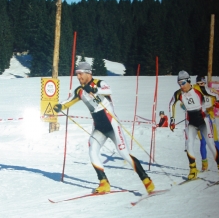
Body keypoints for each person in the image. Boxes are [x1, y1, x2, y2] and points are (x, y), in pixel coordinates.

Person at [53, 62, 155, 194]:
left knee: (124, 153)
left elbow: (108, 90)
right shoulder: (79, 91)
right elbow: (68, 101)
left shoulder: (99, 83)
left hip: (112, 124)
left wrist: (96, 90)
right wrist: (59, 106)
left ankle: (146, 180)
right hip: (99, 127)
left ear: (88, 73)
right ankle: (104, 183)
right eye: (77, 74)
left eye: (80, 74)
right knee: (92, 149)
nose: (78, 77)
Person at [169, 70, 219, 181]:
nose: (181, 86)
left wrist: (218, 101)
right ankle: (193, 170)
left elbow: (215, 94)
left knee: (211, 144)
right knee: (189, 144)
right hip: (191, 122)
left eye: (183, 83)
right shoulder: (178, 93)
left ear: (189, 81)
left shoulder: (198, 89)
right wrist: (172, 120)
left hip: (203, 119)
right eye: (179, 83)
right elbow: (171, 104)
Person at [193, 75, 219, 166]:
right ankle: (204, 164)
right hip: (199, 119)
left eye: (202, 83)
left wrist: (218, 103)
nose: (200, 85)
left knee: (215, 140)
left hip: (209, 117)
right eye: (198, 84)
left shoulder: (210, 91)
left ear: (205, 83)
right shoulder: (194, 91)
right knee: (203, 141)